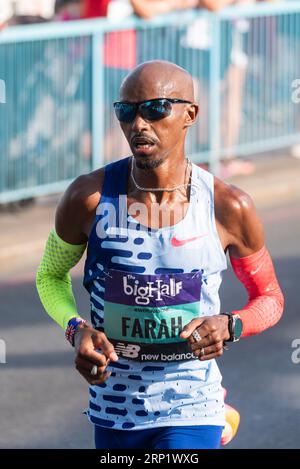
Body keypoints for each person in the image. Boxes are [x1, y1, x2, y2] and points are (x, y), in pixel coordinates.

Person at [36, 60, 284, 450]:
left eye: (155, 108)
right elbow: (49, 275)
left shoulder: (227, 206)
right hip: (114, 407)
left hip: (192, 404)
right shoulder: (89, 198)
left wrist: (230, 325)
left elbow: (270, 297)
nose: (138, 124)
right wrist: (75, 328)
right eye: (126, 111)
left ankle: (219, 418)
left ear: (190, 114)